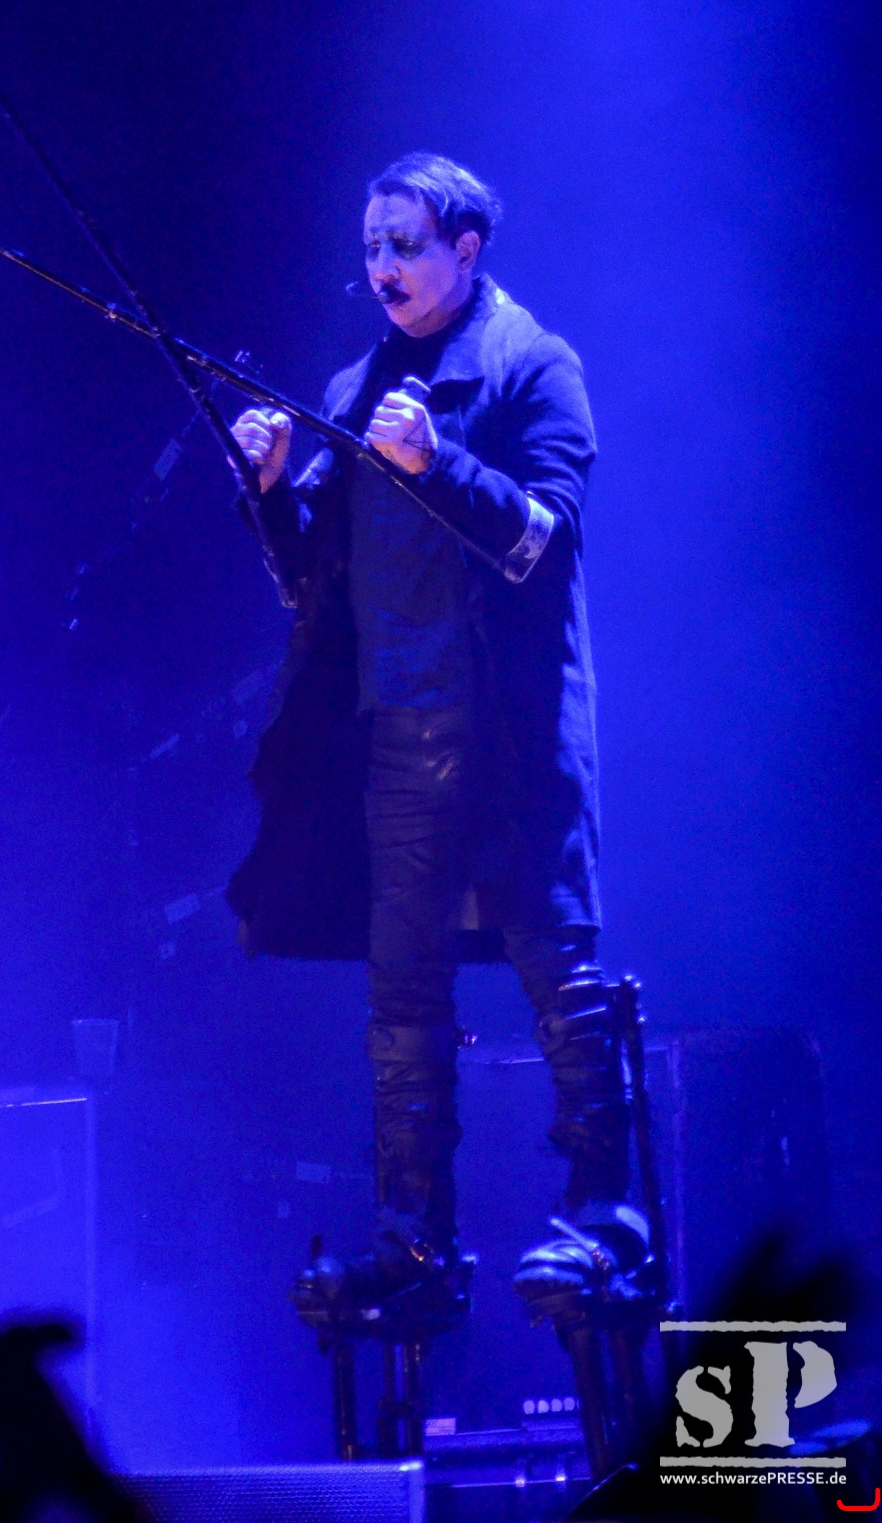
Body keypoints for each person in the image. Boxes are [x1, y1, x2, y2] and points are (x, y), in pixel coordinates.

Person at [226, 152, 646, 1328]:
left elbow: (542, 542)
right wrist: (269, 489)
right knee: (400, 994)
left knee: (554, 966)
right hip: (398, 734)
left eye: (403, 243)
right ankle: (414, 1245)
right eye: (370, 245)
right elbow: (312, 576)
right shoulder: (356, 385)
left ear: (465, 248)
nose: (382, 265)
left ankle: (602, 1214)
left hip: (509, 730)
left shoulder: (531, 365)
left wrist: (438, 463)